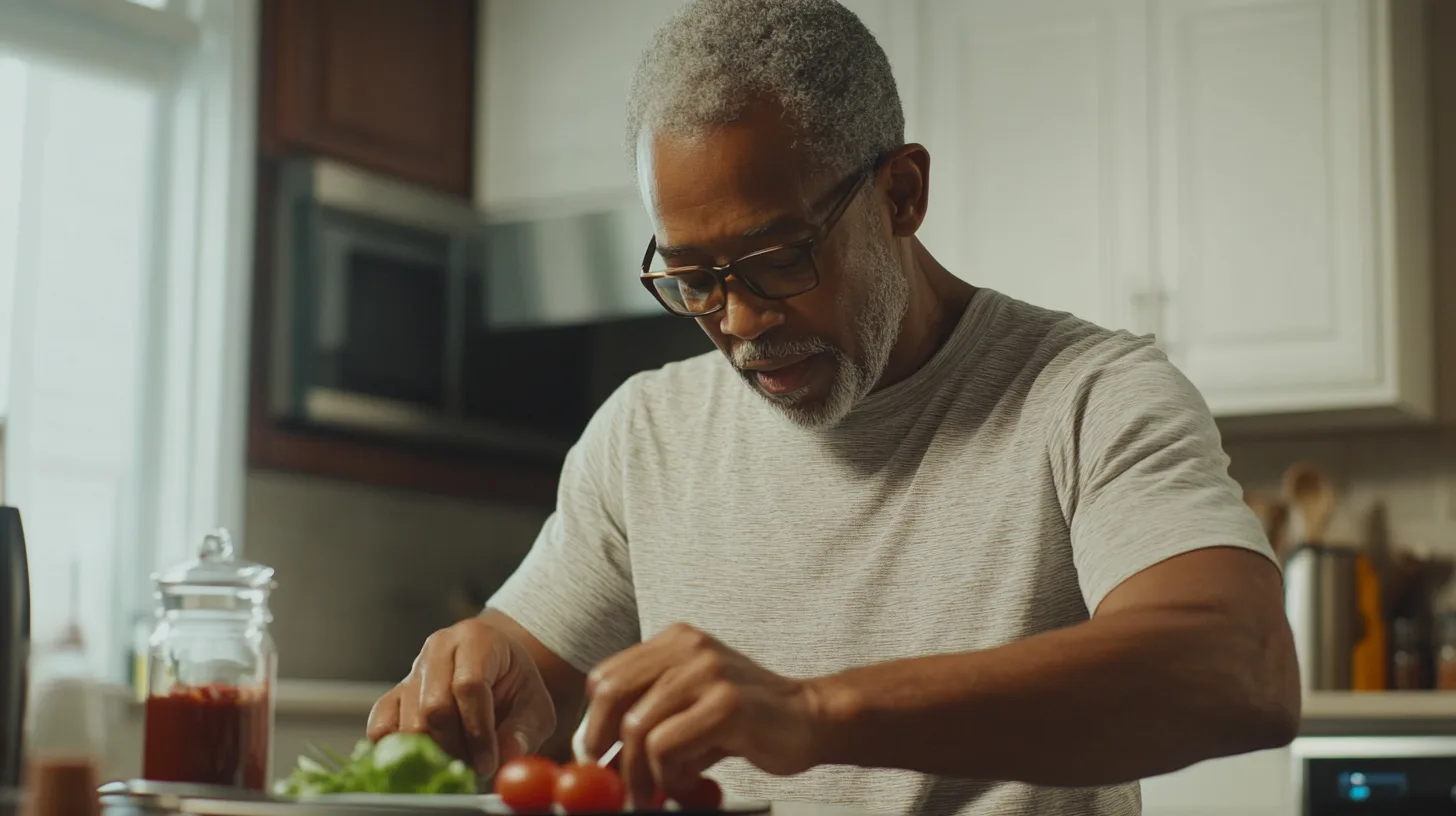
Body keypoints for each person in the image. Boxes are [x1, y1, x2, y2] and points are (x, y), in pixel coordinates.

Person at [367, 0, 1300, 813]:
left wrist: (814, 713)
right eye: (692, 278)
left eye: (779, 260)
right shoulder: (644, 436)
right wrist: (475, 684)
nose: (739, 321)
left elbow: (1241, 667)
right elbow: (524, 682)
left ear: (902, 193)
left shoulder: (1090, 397)